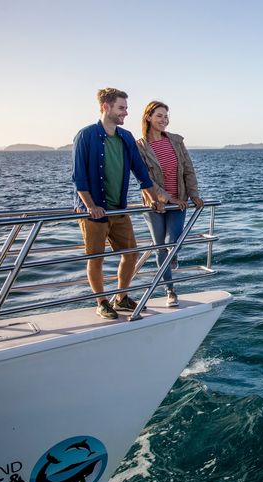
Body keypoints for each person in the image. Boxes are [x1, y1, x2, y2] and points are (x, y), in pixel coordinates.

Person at [73, 87, 164, 319]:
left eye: (126, 107)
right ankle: (102, 302)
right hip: (93, 212)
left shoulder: (125, 137)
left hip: (119, 209)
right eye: (121, 107)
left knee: (131, 253)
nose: (125, 112)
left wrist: (154, 199)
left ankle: (121, 297)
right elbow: (79, 177)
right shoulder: (86, 135)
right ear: (106, 107)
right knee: (96, 258)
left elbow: (141, 172)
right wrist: (91, 206)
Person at [136, 101, 204, 307]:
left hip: (180, 201)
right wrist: (167, 198)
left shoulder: (175, 141)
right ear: (148, 117)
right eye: (159, 116)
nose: (164, 120)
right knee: (161, 247)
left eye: (166, 116)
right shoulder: (140, 146)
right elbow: (145, 178)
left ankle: (172, 256)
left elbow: (188, 169)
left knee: (172, 242)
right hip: (155, 203)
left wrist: (193, 195)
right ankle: (170, 290)